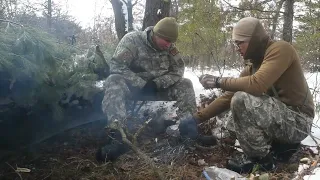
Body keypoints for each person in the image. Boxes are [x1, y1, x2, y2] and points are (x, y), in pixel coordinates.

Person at [179, 17, 315, 173]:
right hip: (282, 121)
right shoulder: (253, 67)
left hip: (298, 122)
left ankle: (261, 161)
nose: (237, 48)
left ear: (255, 40)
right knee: (234, 106)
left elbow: (257, 84)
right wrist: (195, 119)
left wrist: (218, 81)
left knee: (242, 99)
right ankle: (226, 139)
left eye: (239, 43)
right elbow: (226, 97)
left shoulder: (281, 49)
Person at [96, 17, 197, 162]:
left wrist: (158, 83)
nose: (168, 45)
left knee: (186, 83)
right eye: (166, 41)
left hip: (159, 87)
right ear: (156, 34)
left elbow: (178, 70)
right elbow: (117, 66)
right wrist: (140, 83)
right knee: (113, 81)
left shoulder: (170, 48)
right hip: (133, 87)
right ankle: (118, 136)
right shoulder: (132, 40)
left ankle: (189, 132)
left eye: (171, 42)